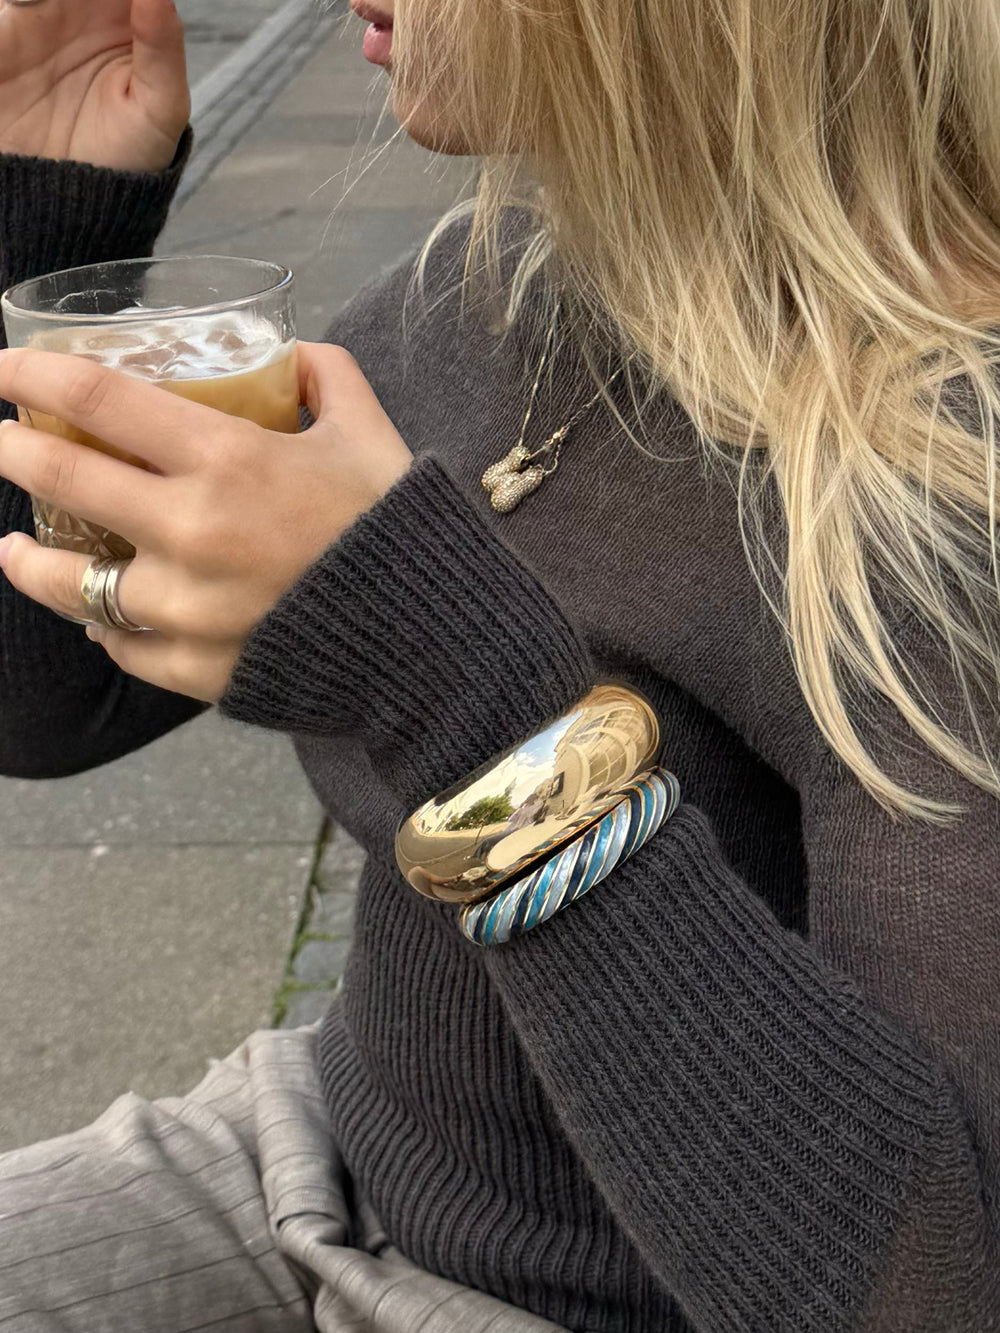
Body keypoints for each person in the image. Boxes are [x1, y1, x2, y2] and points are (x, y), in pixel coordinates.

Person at [0, 0, 998, 1329]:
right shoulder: (502, 279)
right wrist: (55, 209)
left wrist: (454, 689)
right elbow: (54, 698)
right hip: (325, 1141)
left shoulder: (944, 488)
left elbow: (931, 1284)